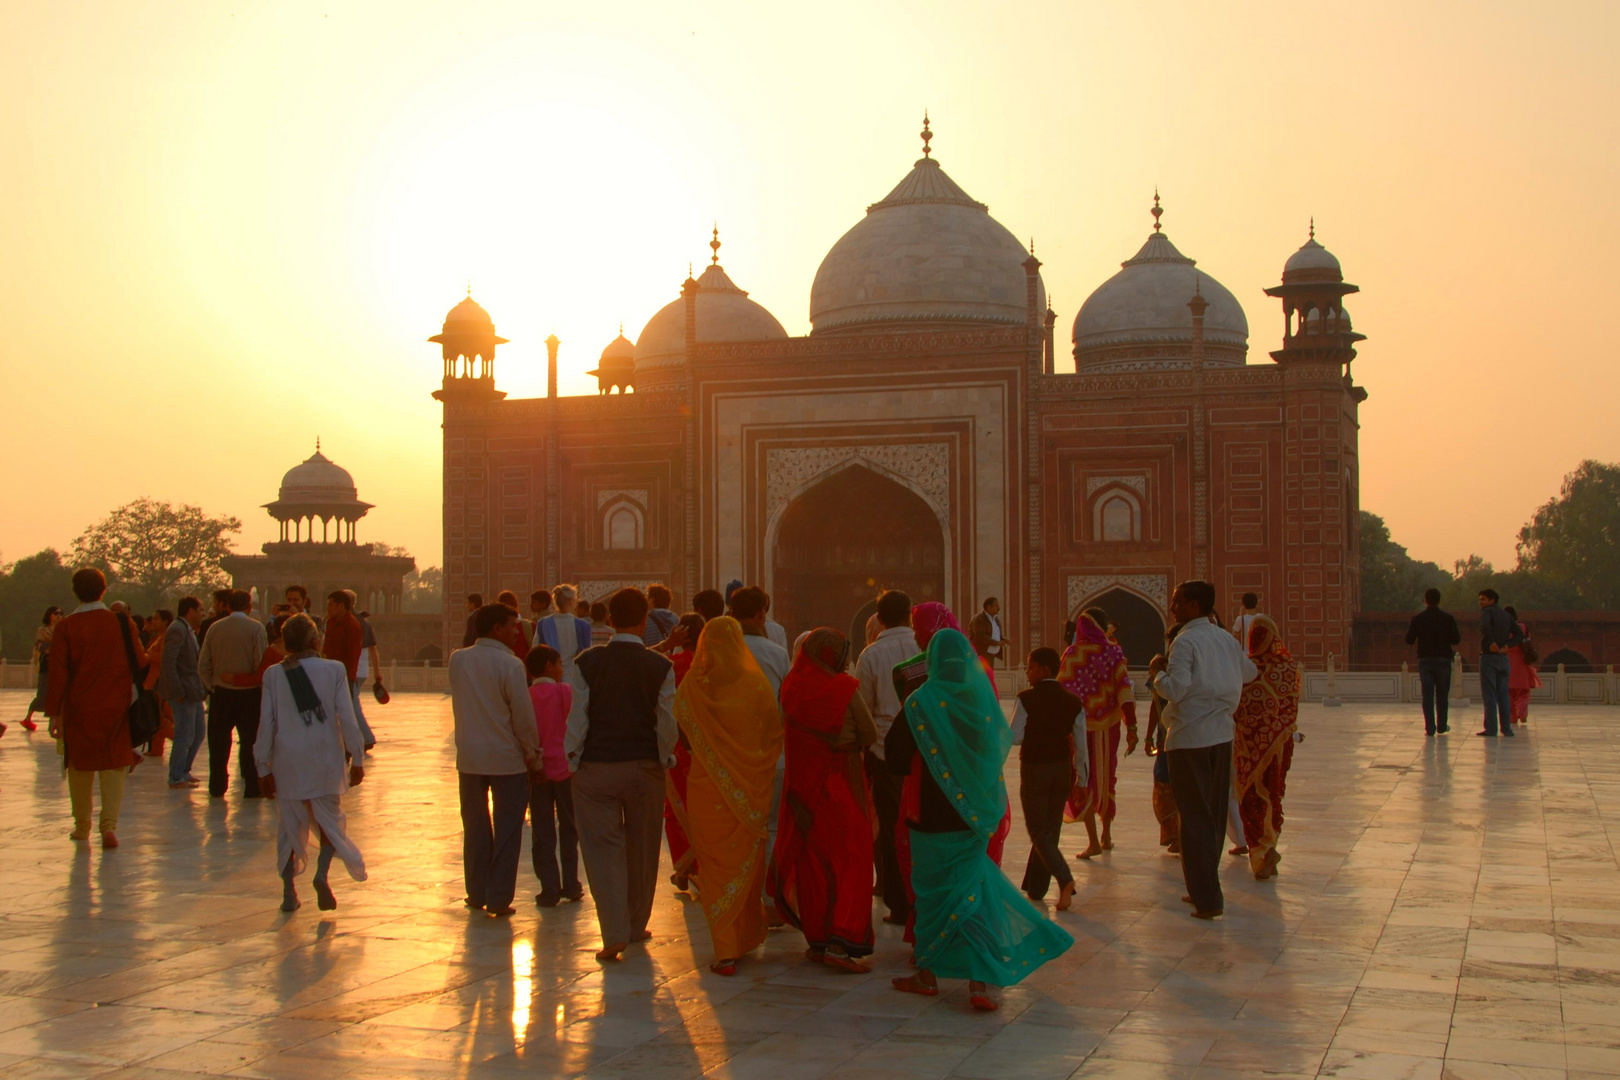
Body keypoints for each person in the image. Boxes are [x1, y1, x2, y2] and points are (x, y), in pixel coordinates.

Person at [890, 628, 1073, 1010]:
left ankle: (927, 974)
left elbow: (894, 756)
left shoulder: (920, 701)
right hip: (972, 814)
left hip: (929, 813)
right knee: (970, 896)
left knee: (931, 894)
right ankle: (978, 983)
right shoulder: (978, 701)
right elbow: (996, 749)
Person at [565, 587, 678, 961]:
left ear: (609, 620)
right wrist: (663, 760)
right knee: (643, 850)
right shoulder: (660, 667)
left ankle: (613, 932)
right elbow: (666, 723)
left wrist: (574, 760)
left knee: (602, 851)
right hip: (644, 768)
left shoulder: (587, 663)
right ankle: (634, 924)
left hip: (596, 768)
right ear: (645, 621)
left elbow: (577, 720)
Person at [674, 616, 783, 975]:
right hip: (749, 790)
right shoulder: (754, 685)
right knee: (745, 863)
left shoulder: (694, 686)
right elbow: (771, 735)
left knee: (717, 867)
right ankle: (746, 936)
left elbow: (684, 731)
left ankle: (727, 949)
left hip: (707, 788)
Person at [770, 627, 877, 972]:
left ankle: (817, 939)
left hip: (803, 785)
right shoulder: (844, 688)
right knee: (853, 858)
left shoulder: (790, 687)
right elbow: (869, 733)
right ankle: (841, 939)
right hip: (842, 779)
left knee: (813, 859)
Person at [1147, 581, 1256, 919]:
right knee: (1212, 814)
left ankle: (1208, 898)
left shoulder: (1186, 641)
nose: (1173, 608)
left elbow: (1175, 689)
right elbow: (1249, 672)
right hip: (1221, 734)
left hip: (1189, 736)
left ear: (1194, 606)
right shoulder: (1225, 638)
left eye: (1178, 602)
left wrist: (1156, 673)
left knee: (1193, 818)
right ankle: (1203, 889)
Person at [255, 614, 368, 913]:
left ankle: (289, 892)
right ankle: (321, 874)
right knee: (329, 821)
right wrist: (357, 757)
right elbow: (347, 717)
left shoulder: (273, 675)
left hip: (288, 761)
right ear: (316, 640)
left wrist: (261, 767)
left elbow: (266, 724)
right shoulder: (334, 670)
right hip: (325, 759)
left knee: (290, 827)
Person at [450, 603, 544, 916]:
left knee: (475, 827)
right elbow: (522, 716)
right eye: (512, 626)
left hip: (470, 758)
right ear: (495, 628)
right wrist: (533, 754)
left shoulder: (458, 660)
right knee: (507, 829)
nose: (517, 631)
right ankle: (499, 897)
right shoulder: (511, 665)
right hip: (506, 759)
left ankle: (476, 893)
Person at [44, 569, 144, 847]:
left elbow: (58, 674)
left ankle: (82, 826)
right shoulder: (122, 623)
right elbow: (140, 659)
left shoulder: (66, 627)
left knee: (80, 765)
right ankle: (109, 826)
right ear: (104, 589)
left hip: (79, 706)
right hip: (116, 704)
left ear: (75, 591)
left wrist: (54, 713)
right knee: (113, 765)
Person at [854, 589, 917, 925]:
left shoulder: (871, 655)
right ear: (909, 614)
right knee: (922, 826)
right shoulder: (925, 648)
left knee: (893, 829)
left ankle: (898, 901)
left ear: (878, 618)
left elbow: (863, 708)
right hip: (924, 750)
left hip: (884, 751)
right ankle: (922, 896)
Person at [1056, 607, 1138, 859]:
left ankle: (1093, 840)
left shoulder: (1072, 655)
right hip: (1108, 726)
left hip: (1079, 727)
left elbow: (1061, 694)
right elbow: (1125, 691)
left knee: (1084, 779)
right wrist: (1132, 726)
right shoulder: (1114, 653)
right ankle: (1106, 835)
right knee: (1106, 776)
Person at [1010, 648, 1086, 910]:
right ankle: (1036, 886)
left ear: (1043, 669)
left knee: (1038, 830)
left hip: (1034, 770)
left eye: (1031, 667)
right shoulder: (1073, 702)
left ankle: (1065, 879)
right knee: (1050, 830)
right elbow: (1081, 746)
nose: (1028, 672)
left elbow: (1015, 737)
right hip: (1061, 770)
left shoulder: (1026, 699)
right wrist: (1083, 780)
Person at [1232, 616, 1300, 881]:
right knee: (1273, 795)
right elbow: (1291, 707)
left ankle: (1261, 856)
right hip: (1281, 744)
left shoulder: (1248, 669)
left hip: (1250, 747)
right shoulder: (1289, 667)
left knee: (1250, 799)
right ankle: (1271, 845)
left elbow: (1237, 706)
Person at [525, 645, 582, 907]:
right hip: (564, 771)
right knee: (570, 828)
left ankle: (549, 888)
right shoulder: (564, 692)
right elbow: (579, 726)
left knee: (542, 832)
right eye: (559, 664)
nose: (562, 669)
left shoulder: (526, 696)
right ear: (549, 666)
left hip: (537, 774)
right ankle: (571, 884)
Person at [198, 589, 268, 799]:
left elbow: (203, 665)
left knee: (218, 742)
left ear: (227, 606)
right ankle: (251, 786)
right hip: (249, 695)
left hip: (221, 694)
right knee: (249, 742)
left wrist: (213, 686)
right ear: (249, 607)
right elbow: (260, 663)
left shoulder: (215, 628)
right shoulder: (256, 628)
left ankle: (217, 786)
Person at [662, 612, 707, 891]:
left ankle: (683, 868)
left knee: (676, 810)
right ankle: (702, 868)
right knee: (705, 810)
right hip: (708, 745)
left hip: (678, 744)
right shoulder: (714, 665)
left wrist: (668, 644)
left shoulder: (671, 665)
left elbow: (633, 658)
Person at [159, 597, 209, 789]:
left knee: (197, 732)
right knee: (184, 733)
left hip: (192, 691)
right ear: (190, 611)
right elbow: (169, 662)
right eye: (201, 610)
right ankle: (176, 775)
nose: (203, 614)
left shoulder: (186, 630)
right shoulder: (177, 630)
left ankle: (184, 770)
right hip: (183, 692)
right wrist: (177, 689)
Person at [1143, 624, 1183, 853]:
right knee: (1166, 782)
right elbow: (1155, 704)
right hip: (1166, 736)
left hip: (1180, 733)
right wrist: (1148, 737)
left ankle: (1179, 836)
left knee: (1175, 784)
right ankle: (1174, 834)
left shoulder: (1176, 669)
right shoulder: (1160, 668)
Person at [1405, 588, 1461, 736]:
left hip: (1425, 659)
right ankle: (1442, 726)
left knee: (1427, 695)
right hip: (1443, 659)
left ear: (1426, 600)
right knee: (1442, 695)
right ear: (1439, 600)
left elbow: (1409, 639)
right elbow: (1456, 639)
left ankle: (1430, 727)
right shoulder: (1447, 618)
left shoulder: (1418, 618)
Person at [728, 586, 789, 696]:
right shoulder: (779, 655)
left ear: (732, 615)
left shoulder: (719, 651)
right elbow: (785, 699)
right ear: (761, 614)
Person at [1476, 588, 1521, 738]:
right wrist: (1508, 645)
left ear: (1492, 600)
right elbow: (1519, 634)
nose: (1480, 602)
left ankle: (1491, 728)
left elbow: (1484, 627)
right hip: (1503, 659)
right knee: (1503, 695)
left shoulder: (1487, 613)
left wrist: (1491, 642)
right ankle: (1506, 728)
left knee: (1489, 695)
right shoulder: (1506, 615)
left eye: (1483, 599)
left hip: (1489, 658)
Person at [18, 606, 61, 732]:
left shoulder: (62, 628)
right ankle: (28, 718)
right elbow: (39, 646)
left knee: (57, 694)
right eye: (56, 613)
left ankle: (54, 721)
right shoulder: (43, 630)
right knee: (42, 693)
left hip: (58, 665)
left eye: (60, 613)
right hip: (47, 664)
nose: (59, 616)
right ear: (50, 615)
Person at [537, 584, 593, 680]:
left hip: (550, 679)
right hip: (574, 679)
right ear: (571, 601)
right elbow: (587, 656)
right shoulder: (583, 626)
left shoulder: (544, 624)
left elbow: (536, 652)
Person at [143, 610, 175, 758]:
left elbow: (164, 659)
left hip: (160, 682)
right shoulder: (159, 637)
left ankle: (180, 737)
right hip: (152, 681)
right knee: (156, 715)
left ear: (165, 622)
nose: (153, 621)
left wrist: (148, 655)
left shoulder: (168, 638)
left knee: (162, 716)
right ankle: (156, 748)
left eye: (156, 619)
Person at [1505, 606, 1541, 727]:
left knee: (1508, 692)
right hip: (1521, 661)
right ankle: (1522, 712)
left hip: (1506, 661)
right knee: (1523, 691)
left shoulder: (1502, 628)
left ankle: (1512, 717)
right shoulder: (1523, 627)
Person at [352, 604, 381, 751]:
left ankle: (367, 737)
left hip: (352, 670)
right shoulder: (365, 623)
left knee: (352, 703)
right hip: (362, 671)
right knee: (352, 704)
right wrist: (377, 671)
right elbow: (373, 649)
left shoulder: (350, 623)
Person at [968, 596, 1008, 668]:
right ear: (988, 606)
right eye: (996, 606)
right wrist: (997, 643)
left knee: (988, 677)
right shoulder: (979, 619)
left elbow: (995, 633)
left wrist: (1003, 639)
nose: (998, 608)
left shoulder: (995, 619)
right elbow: (980, 636)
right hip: (981, 654)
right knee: (981, 676)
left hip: (991, 653)